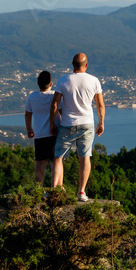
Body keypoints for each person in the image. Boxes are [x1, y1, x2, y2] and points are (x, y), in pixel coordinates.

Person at [49, 52, 104, 202]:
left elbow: (55, 104)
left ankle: (54, 190)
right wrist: (101, 123)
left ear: (72, 65)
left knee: (58, 157)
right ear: (86, 65)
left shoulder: (63, 80)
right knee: (85, 157)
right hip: (87, 124)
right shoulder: (94, 81)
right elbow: (100, 105)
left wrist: (52, 123)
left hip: (68, 124)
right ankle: (81, 192)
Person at [24, 70, 58, 185]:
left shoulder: (32, 97)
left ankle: (39, 188)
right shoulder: (55, 96)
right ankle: (56, 187)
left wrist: (29, 129)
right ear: (51, 84)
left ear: (38, 83)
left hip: (39, 135)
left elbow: (28, 113)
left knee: (40, 162)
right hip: (54, 133)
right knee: (56, 162)